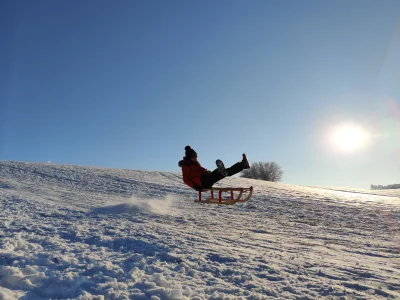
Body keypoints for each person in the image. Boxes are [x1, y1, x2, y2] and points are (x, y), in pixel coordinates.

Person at [178, 146, 251, 191]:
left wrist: (206, 172)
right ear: (190, 157)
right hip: (201, 183)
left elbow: (200, 172)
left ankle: (243, 164)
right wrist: (194, 186)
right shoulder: (186, 166)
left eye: (196, 156)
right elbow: (186, 179)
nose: (196, 158)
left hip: (206, 179)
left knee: (226, 172)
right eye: (194, 157)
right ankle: (220, 171)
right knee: (220, 173)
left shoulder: (195, 164)